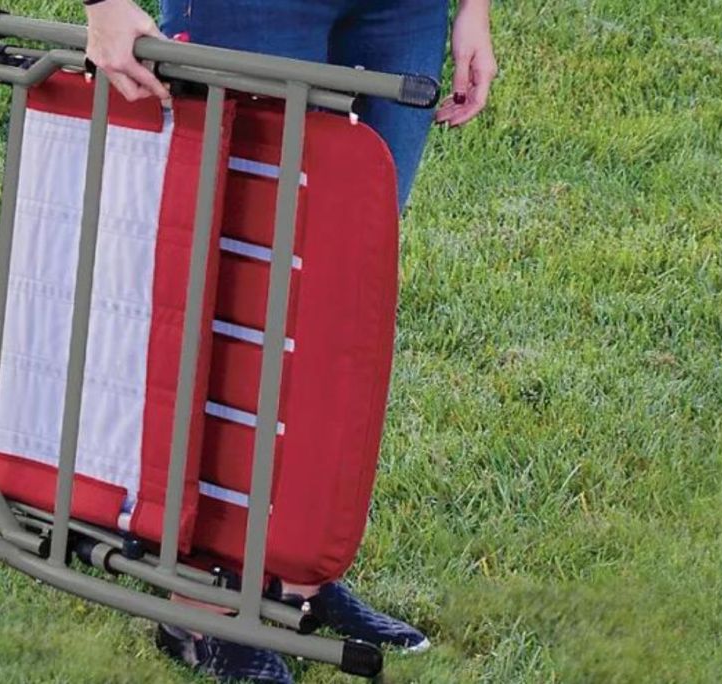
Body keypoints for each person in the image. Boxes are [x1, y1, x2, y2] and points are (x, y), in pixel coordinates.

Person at [82, 0, 496, 680]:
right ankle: (199, 602)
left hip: (399, 13)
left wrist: (473, 8)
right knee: (231, 284)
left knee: (338, 292)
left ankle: (292, 579)